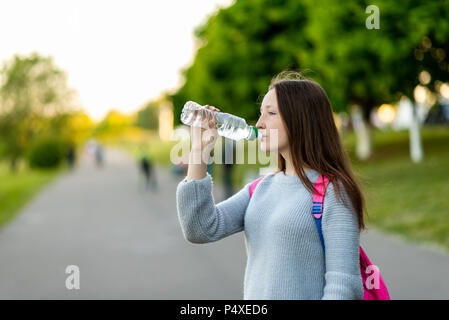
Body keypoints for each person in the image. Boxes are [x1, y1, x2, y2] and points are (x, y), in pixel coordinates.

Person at [176, 71, 367, 300]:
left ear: (301, 119)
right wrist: (200, 148)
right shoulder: (260, 189)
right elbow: (200, 228)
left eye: (271, 113)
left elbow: (343, 285)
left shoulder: (333, 192)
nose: (259, 124)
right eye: (260, 114)